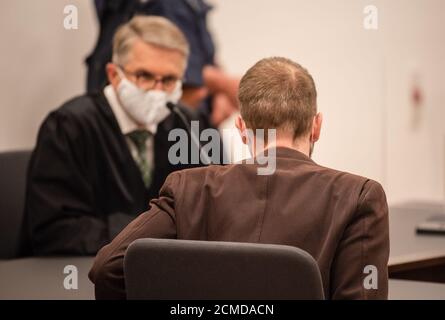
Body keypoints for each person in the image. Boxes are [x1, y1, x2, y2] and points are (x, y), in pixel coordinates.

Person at [89, 57, 390, 300]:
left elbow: (108, 269)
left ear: (242, 129)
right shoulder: (360, 197)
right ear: (317, 127)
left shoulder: (187, 188)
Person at [25, 16, 206, 255]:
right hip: (81, 271)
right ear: (113, 74)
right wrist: (148, 233)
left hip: (166, 273)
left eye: (169, 80)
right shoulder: (68, 126)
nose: (157, 91)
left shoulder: (187, 124)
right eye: (144, 75)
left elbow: (205, 209)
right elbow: (52, 229)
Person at [87, 0, 238, 127]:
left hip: (192, 133)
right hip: (166, 134)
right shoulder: (166, 6)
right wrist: (229, 87)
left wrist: (220, 93)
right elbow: (190, 89)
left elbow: (206, 58)